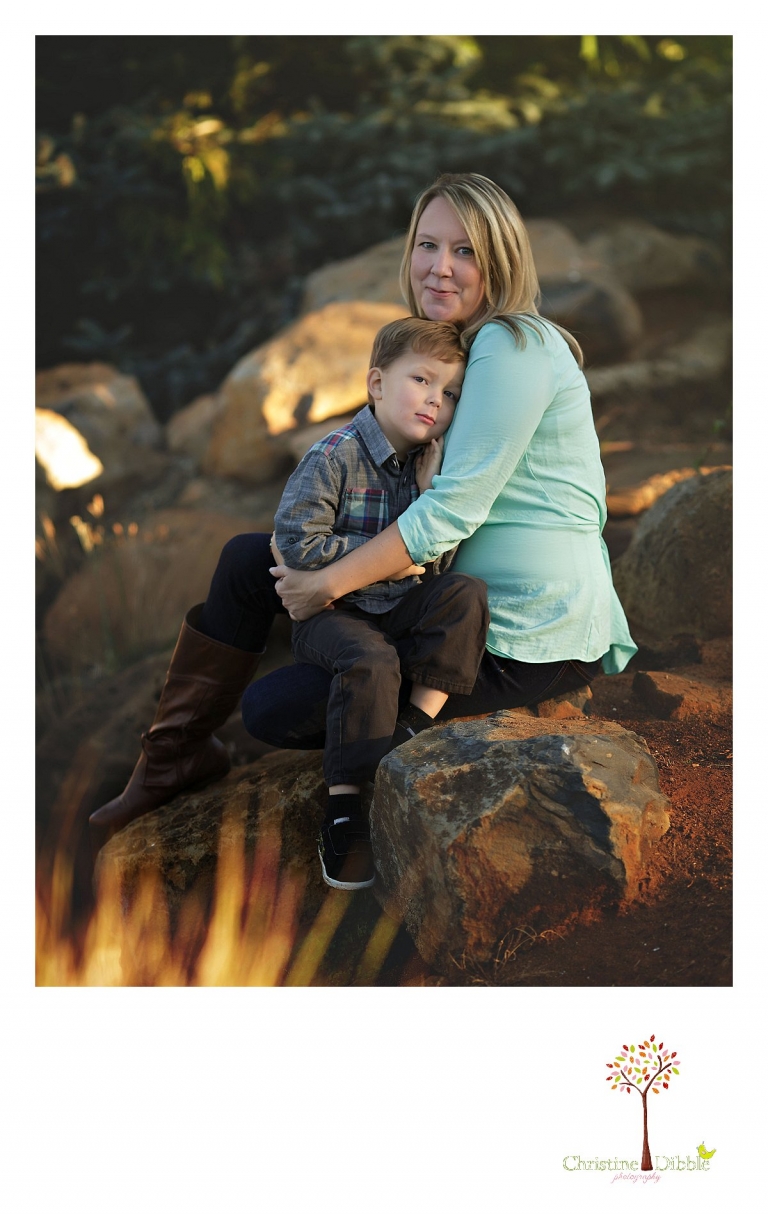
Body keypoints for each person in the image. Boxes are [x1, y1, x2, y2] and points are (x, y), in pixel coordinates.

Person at [90, 171, 636, 872]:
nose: (441, 266)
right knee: (244, 559)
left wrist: (324, 586)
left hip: (520, 633)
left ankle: (335, 788)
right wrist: (319, 560)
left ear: (501, 260)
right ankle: (170, 760)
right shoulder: (461, 351)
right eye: (428, 245)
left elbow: (452, 510)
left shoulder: (511, 344)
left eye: (466, 251)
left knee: (273, 708)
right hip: (452, 604)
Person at [271, 316, 489, 889]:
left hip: (397, 607)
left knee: (465, 594)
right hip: (331, 615)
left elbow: (433, 566)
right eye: (421, 380)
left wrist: (425, 493)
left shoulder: (425, 467)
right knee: (370, 661)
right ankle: (344, 806)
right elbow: (297, 543)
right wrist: (385, 550)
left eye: (449, 394)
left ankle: (411, 729)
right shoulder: (333, 456)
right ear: (375, 384)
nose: (434, 401)